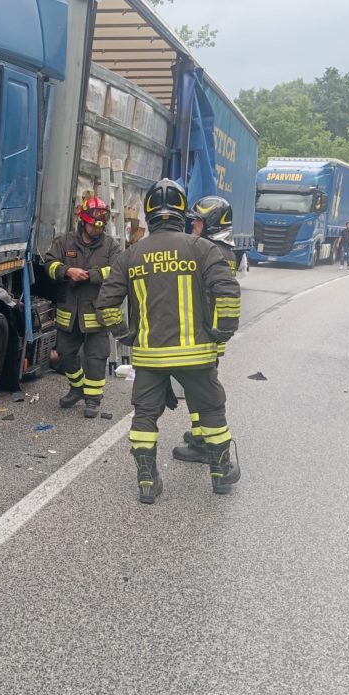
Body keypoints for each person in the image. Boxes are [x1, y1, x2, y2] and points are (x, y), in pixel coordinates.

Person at [95, 179, 241, 504]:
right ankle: (220, 473)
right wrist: (222, 332)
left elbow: (105, 305)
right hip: (197, 355)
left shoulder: (130, 255)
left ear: (148, 214)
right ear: (181, 213)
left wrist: (126, 335)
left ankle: (147, 480)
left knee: (145, 416)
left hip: (150, 357)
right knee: (212, 410)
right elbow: (228, 293)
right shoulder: (203, 248)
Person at [172, 195, 237, 464]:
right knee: (197, 388)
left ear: (210, 224)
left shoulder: (213, 253)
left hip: (204, 334)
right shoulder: (220, 250)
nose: (192, 226)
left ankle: (208, 449)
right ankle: (200, 436)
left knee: (203, 390)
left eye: (197, 222)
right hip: (210, 334)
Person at [44, 195, 121, 418]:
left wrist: (92, 276)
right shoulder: (65, 242)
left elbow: (117, 271)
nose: (97, 230)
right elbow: (49, 264)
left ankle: (93, 399)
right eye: (93, 225)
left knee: (96, 357)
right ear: (83, 221)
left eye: (100, 226)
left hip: (97, 311)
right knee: (66, 354)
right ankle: (77, 388)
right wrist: (67, 271)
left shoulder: (111, 246)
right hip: (69, 311)